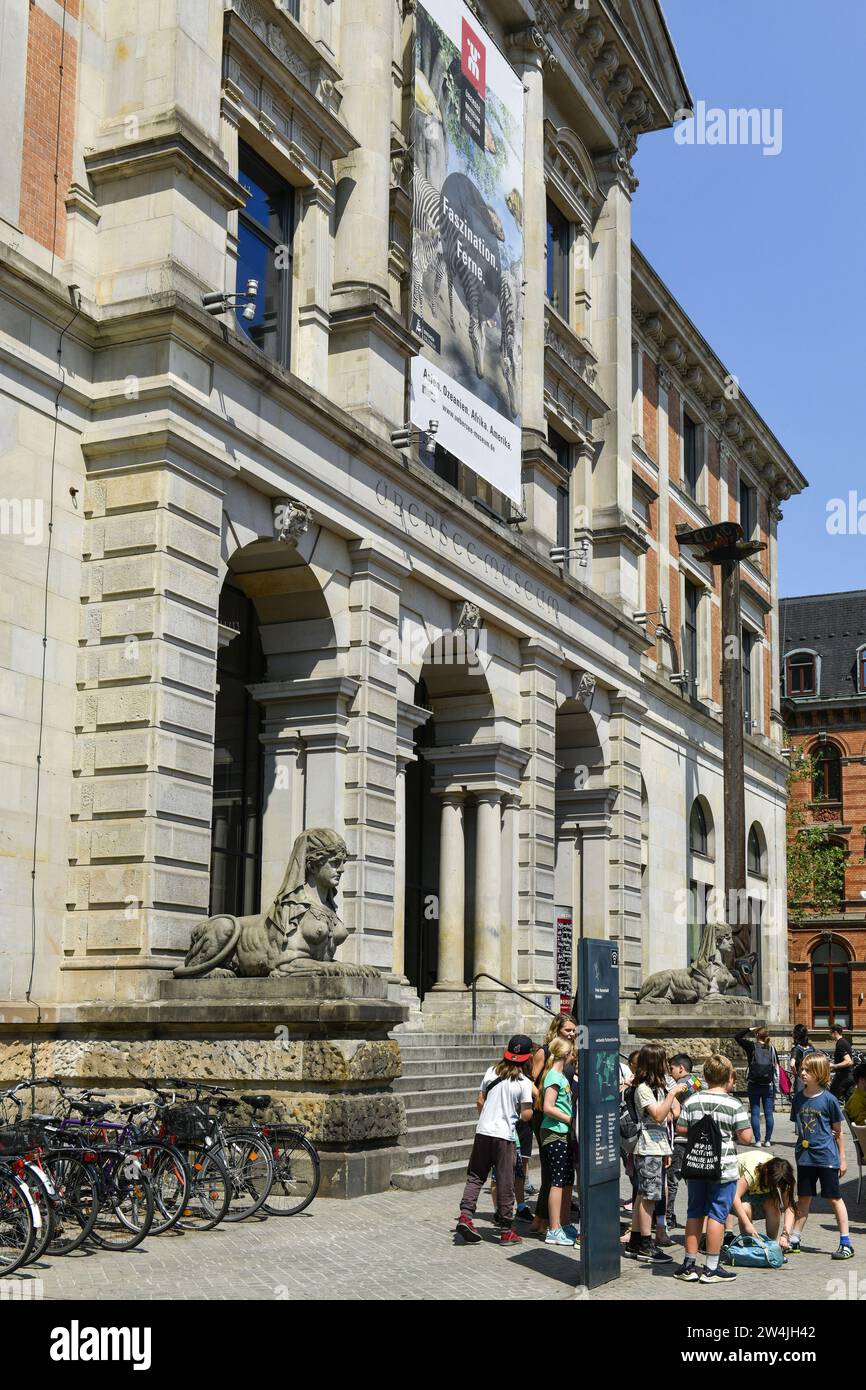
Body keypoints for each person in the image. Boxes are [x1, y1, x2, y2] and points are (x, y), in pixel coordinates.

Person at [674, 1053, 754, 1284]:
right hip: (724, 1168)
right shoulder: (734, 1104)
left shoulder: (692, 1101)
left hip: (698, 1165)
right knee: (718, 1216)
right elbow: (746, 1137)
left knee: (694, 1212)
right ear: (729, 1077)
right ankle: (711, 1267)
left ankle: (688, 1264)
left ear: (705, 1077)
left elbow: (681, 1129)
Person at [455, 1035, 534, 1246]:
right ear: (527, 1058)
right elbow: (526, 1115)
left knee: (475, 1176)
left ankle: (465, 1216)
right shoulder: (524, 1083)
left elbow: (480, 1100)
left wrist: (487, 1115)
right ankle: (507, 1230)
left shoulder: (492, 1071)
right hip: (504, 1136)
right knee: (506, 1181)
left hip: (483, 1131)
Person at [623, 1044, 684, 1265]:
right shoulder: (643, 1089)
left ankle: (636, 1241)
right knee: (649, 1198)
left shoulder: (656, 1087)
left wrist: (667, 1148)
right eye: (664, 1062)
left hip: (657, 1146)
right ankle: (647, 1245)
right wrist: (672, 1093)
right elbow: (659, 1115)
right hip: (647, 1148)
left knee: (642, 1194)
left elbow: (670, 1115)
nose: (667, 1066)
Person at [790, 1052, 853, 1260]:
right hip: (805, 1158)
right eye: (802, 1069)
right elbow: (799, 1128)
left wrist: (842, 1158)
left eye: (807, 1070)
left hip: (826, 1158)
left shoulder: (830, 1100)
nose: (802, 1073)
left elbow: (838, 1132)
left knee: (834, 1198)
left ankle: (845, 1242)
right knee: (804, 1199)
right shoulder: (798, 1098)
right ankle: (795, 1239)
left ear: (819, 1073)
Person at [530, 1014, 578, 1235]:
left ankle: (549, 1218)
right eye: (567, 1030)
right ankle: (542, 1219)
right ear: (557, 1029)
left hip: (562, 1111)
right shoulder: (546, 1050)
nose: (572, 1033)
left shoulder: (571, 1052)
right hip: (546, 1114)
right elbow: (532, 1079)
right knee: (551, 1171)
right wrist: (543, 1099)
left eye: (573, 1030)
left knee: (559, 1172)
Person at [731, 1151, 796, 1252]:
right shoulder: (753, 1170)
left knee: (774, 1206)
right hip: (734, 1191)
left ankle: (771, 1244)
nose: (776, 1187)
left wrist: (785, 1234)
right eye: (773, 1184)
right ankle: (749, 1245)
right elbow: (735, 1197)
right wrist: (748, 1225)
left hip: (757, 1189)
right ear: (766, 1172)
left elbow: (789, 1207)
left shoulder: (783, 1178)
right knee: (745, 1208)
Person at [666, 1053, 701, 1230]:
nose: (670, 1072)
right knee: (693, 1179)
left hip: (681, 1138)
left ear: (681, 1068)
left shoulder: (680, 1086)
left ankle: (669, 1215)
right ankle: (696, 1214)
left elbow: (673, 1110)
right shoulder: (698, 1082)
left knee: (672, 1179)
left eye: (671, 1068)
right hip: (696, 1137)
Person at [735, 1025, 779, 1144]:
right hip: (767, 1085)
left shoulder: (751, 1046)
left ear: (756, 1035)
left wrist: (749, 1029)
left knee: (755, 1111)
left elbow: (737, 1037)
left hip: (754, 1083)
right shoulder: (772, 1049)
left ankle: (758, 1141)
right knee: (769, 1114)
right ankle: (768, 1140)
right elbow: (776, 1067)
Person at [829, 1026, 855, 1102]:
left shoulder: (840, 1044)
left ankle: (832, 1114)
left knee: (832, 1097)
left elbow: (848, 1061)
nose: (830, 1035)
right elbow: (851, 1060)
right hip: (849, 1075)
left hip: (843, 1076)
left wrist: (834, 1065)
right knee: (849, 1100)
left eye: (831, 1032)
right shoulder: (845, 1042)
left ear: (835, 1032)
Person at [790, 1024, 813, 1095]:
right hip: (812, 1078)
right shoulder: (811, 1048)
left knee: (800, 1101)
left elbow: (792, 1064)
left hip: (801, 1078)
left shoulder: (796, 1049)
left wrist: (796, 1074)